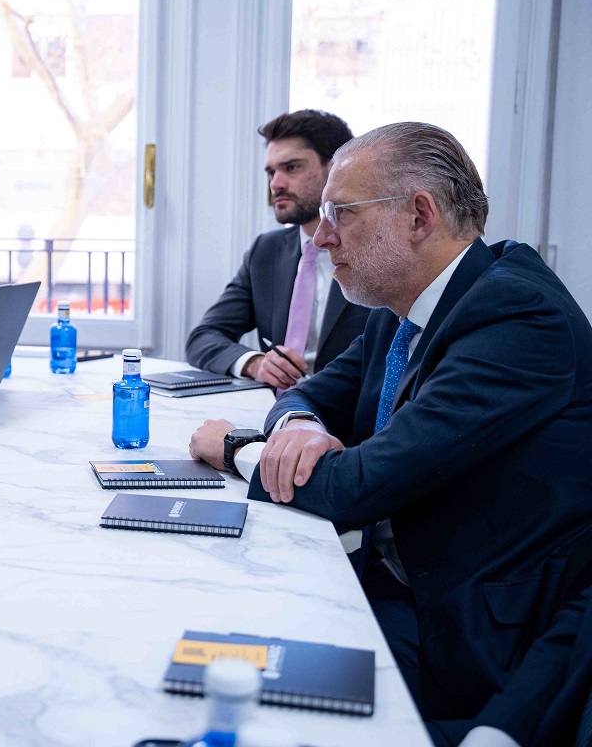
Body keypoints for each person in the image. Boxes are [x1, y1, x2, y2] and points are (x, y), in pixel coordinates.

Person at [189, 122, 592, 746]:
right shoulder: (403, 306)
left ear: (419, 216)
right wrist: (298, 426)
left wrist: (238, 448)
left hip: (464, 637)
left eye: (342, 213)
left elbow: (359, 486)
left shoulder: (517, 317)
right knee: (208, 643)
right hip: (386, 579)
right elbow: (306, 395)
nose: (322, 237)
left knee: (249, 711)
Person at [185, 110, 370, 390]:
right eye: (272, 172)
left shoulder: (376, 253)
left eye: (292, 167)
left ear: (336, 170)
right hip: (273, 407)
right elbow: (203, 337)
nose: (276, 184)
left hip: (348, 413)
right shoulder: (266, 252)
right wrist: (255, 363)